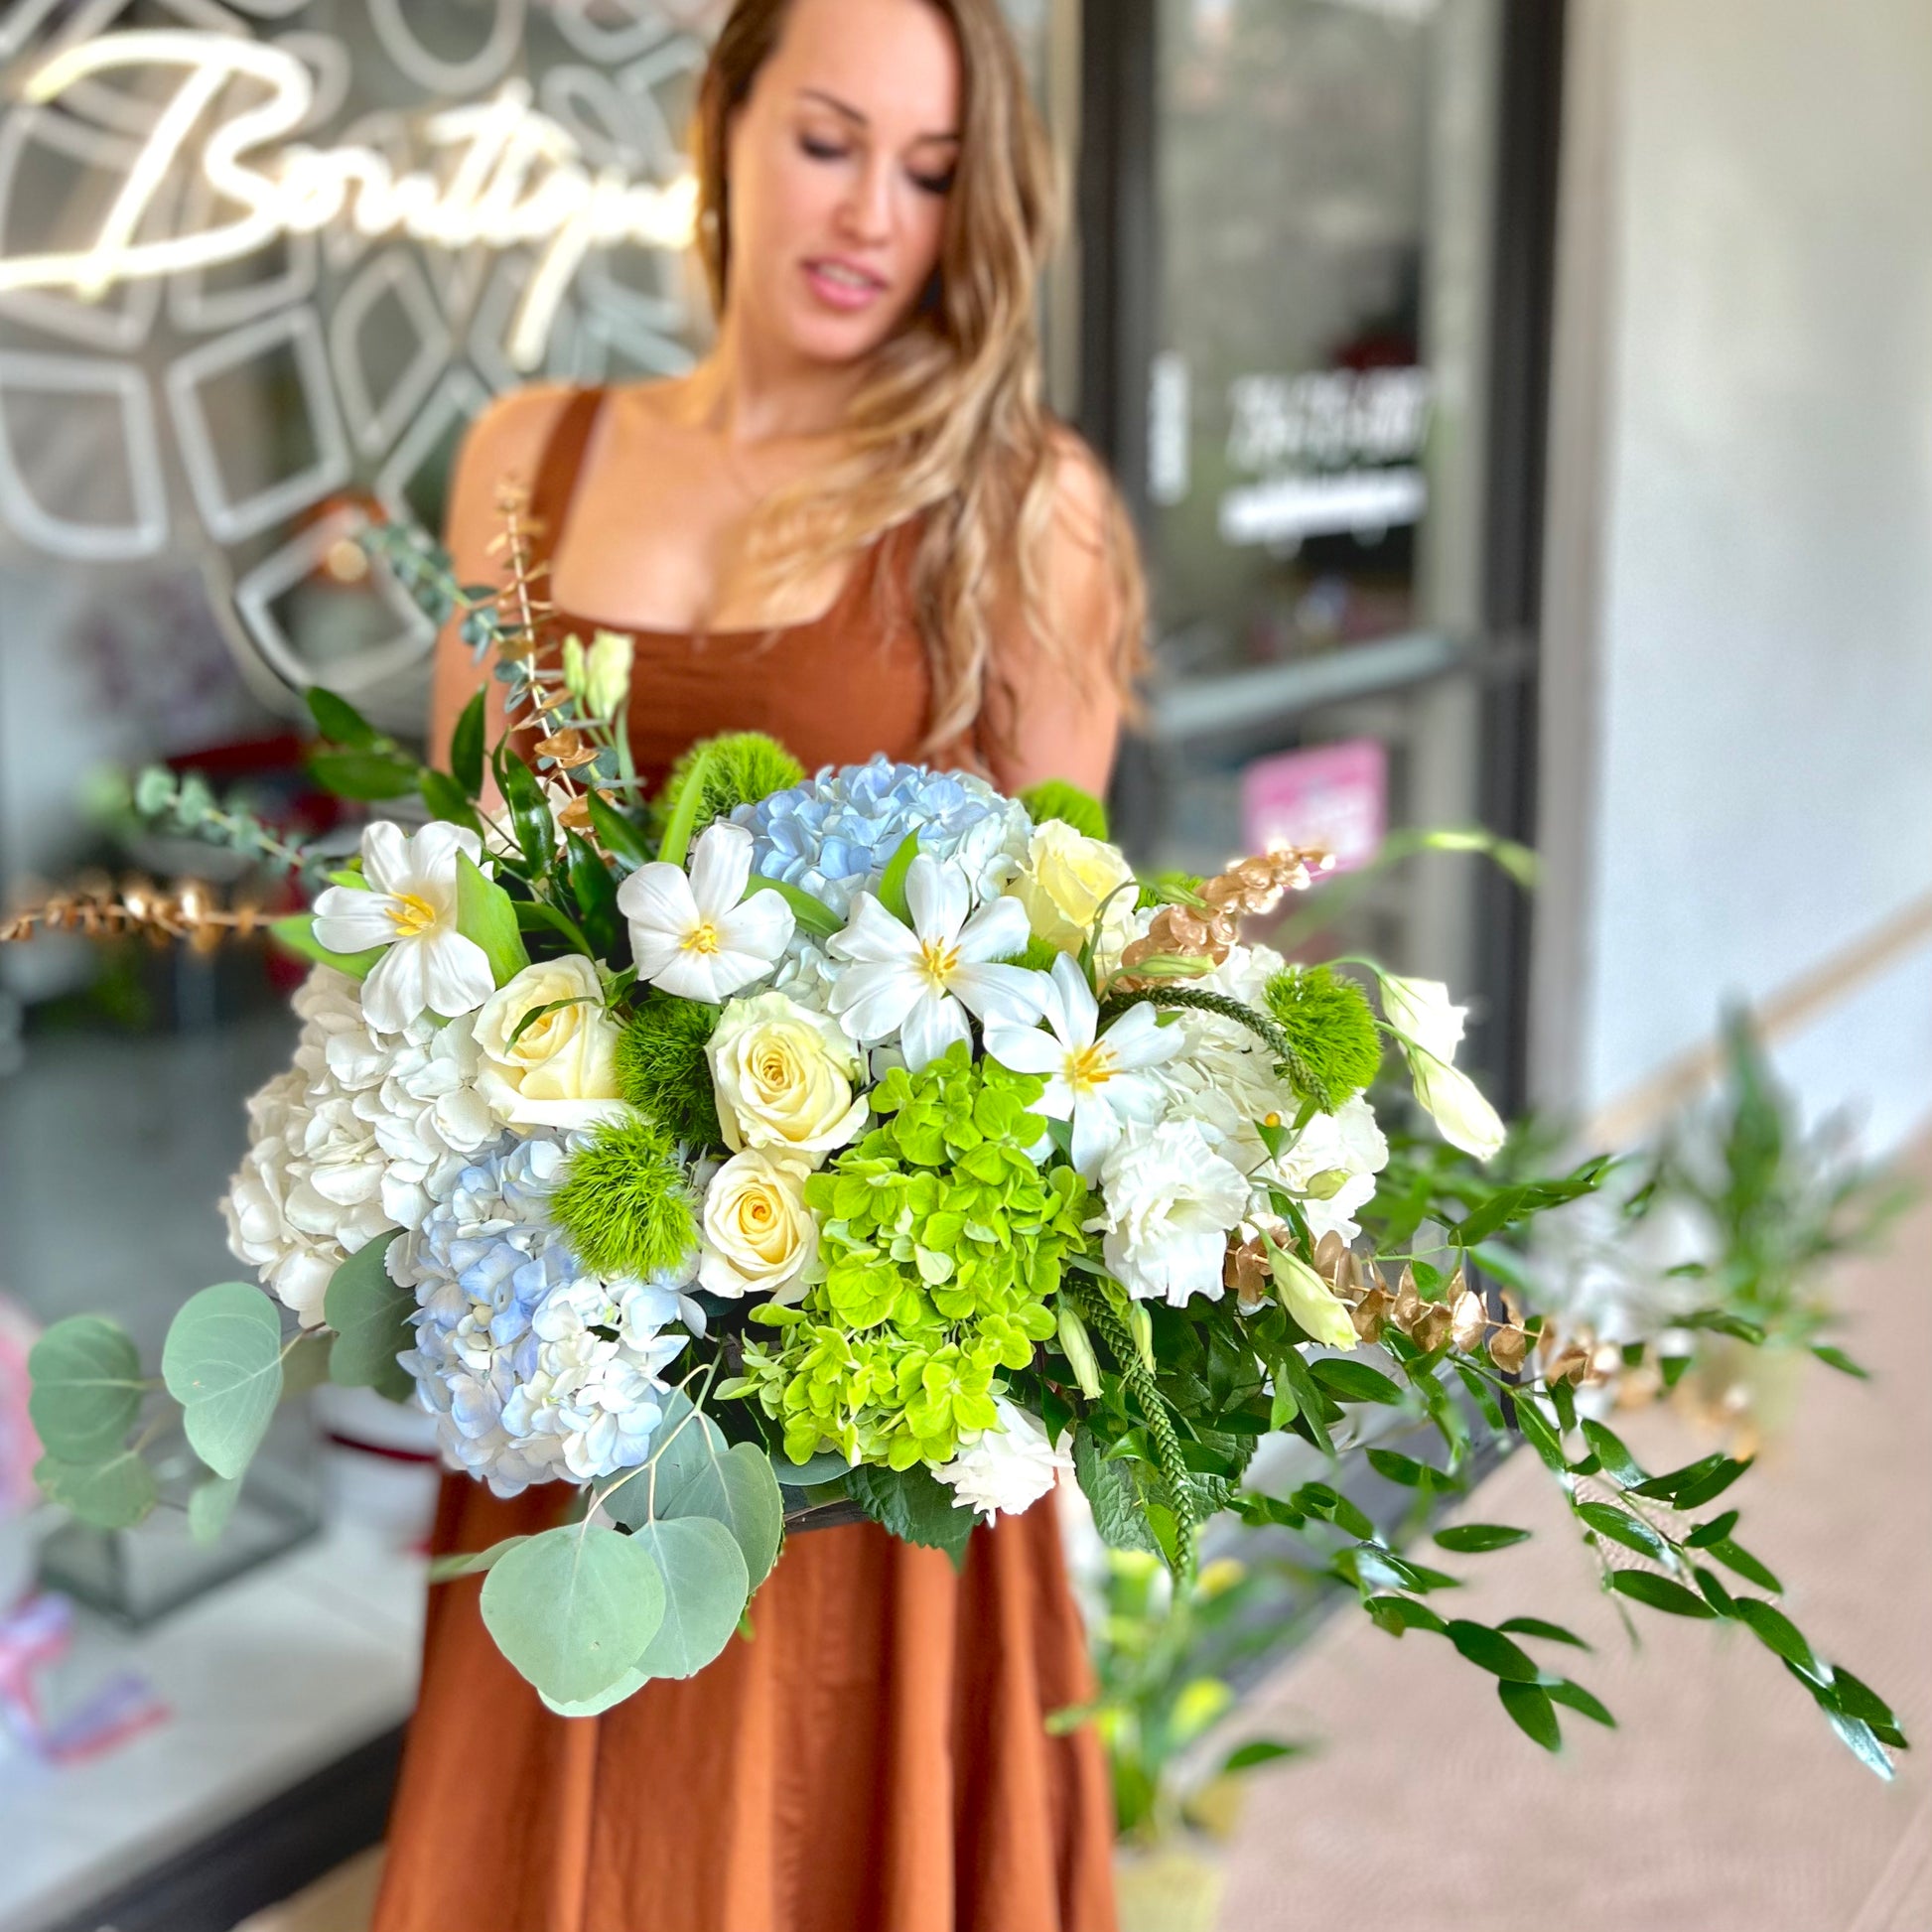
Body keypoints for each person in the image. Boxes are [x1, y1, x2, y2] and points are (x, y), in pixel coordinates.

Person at [373, 1, 1144, 1927]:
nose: (874, 212)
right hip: (568, 1348)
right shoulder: (525, 460)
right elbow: (471, 896)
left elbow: (1065, 998)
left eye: (933, 169)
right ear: (717, 127)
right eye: (826, 139)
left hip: (856, 1395)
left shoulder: (1021, 504)